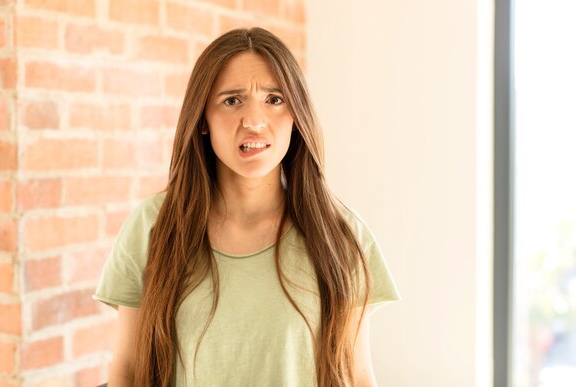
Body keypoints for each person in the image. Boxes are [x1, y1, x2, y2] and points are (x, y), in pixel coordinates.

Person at [94, 27, 400, 387]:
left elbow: (357, 375)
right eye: (232, 100)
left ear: (297, 115)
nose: (254, 122)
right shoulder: (152, 227)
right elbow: (128, 371)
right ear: (203, 120)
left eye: (274, 100)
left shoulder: (342, 235)